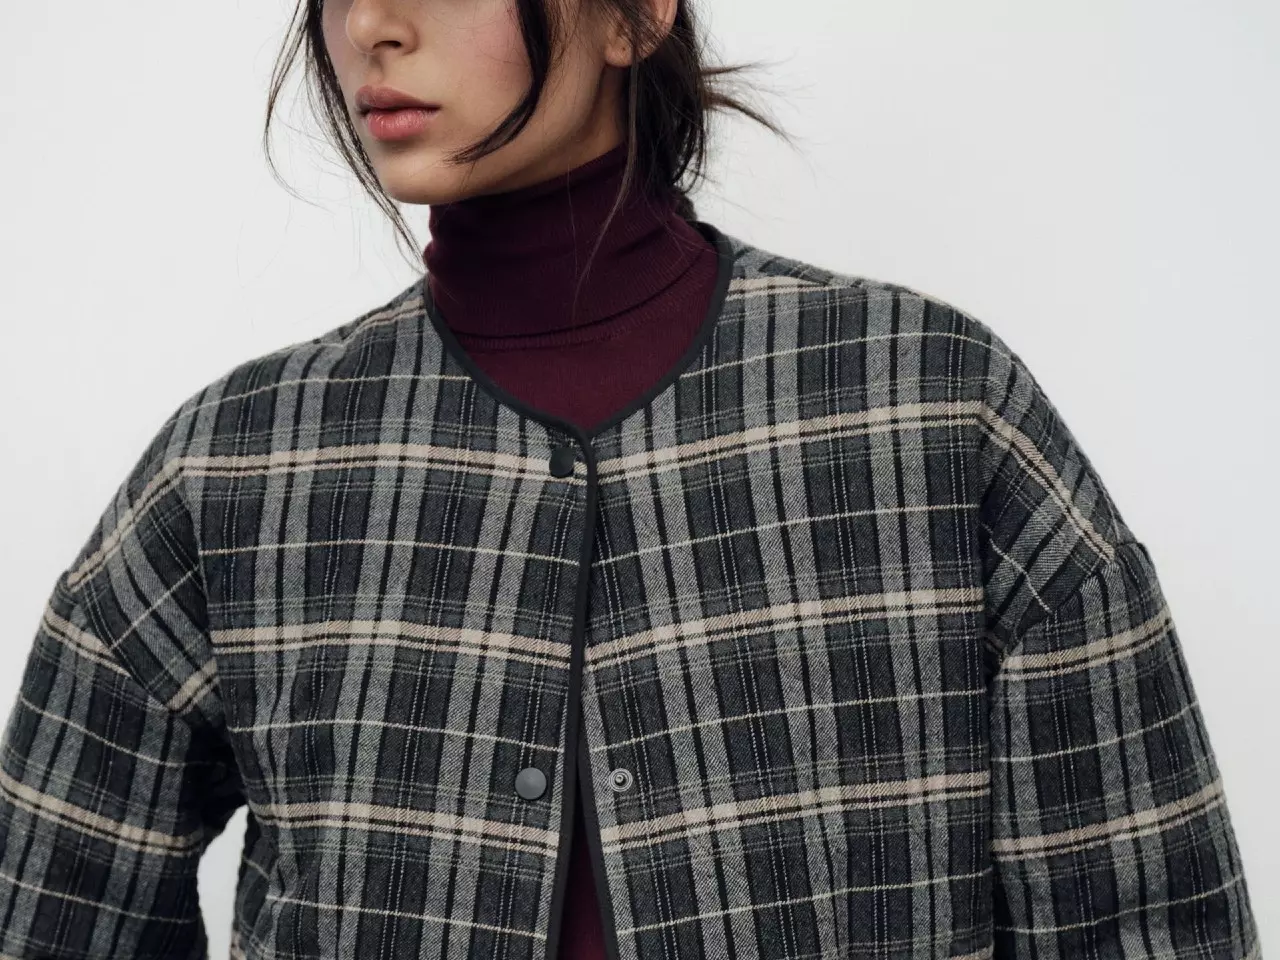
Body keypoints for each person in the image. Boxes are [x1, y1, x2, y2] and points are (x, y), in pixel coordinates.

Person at [0, 0, 1262, 957]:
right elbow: (51, 908)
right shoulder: (241, 461)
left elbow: (1146, 919)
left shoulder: (929, 404)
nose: (371, 27)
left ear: (634, 14)